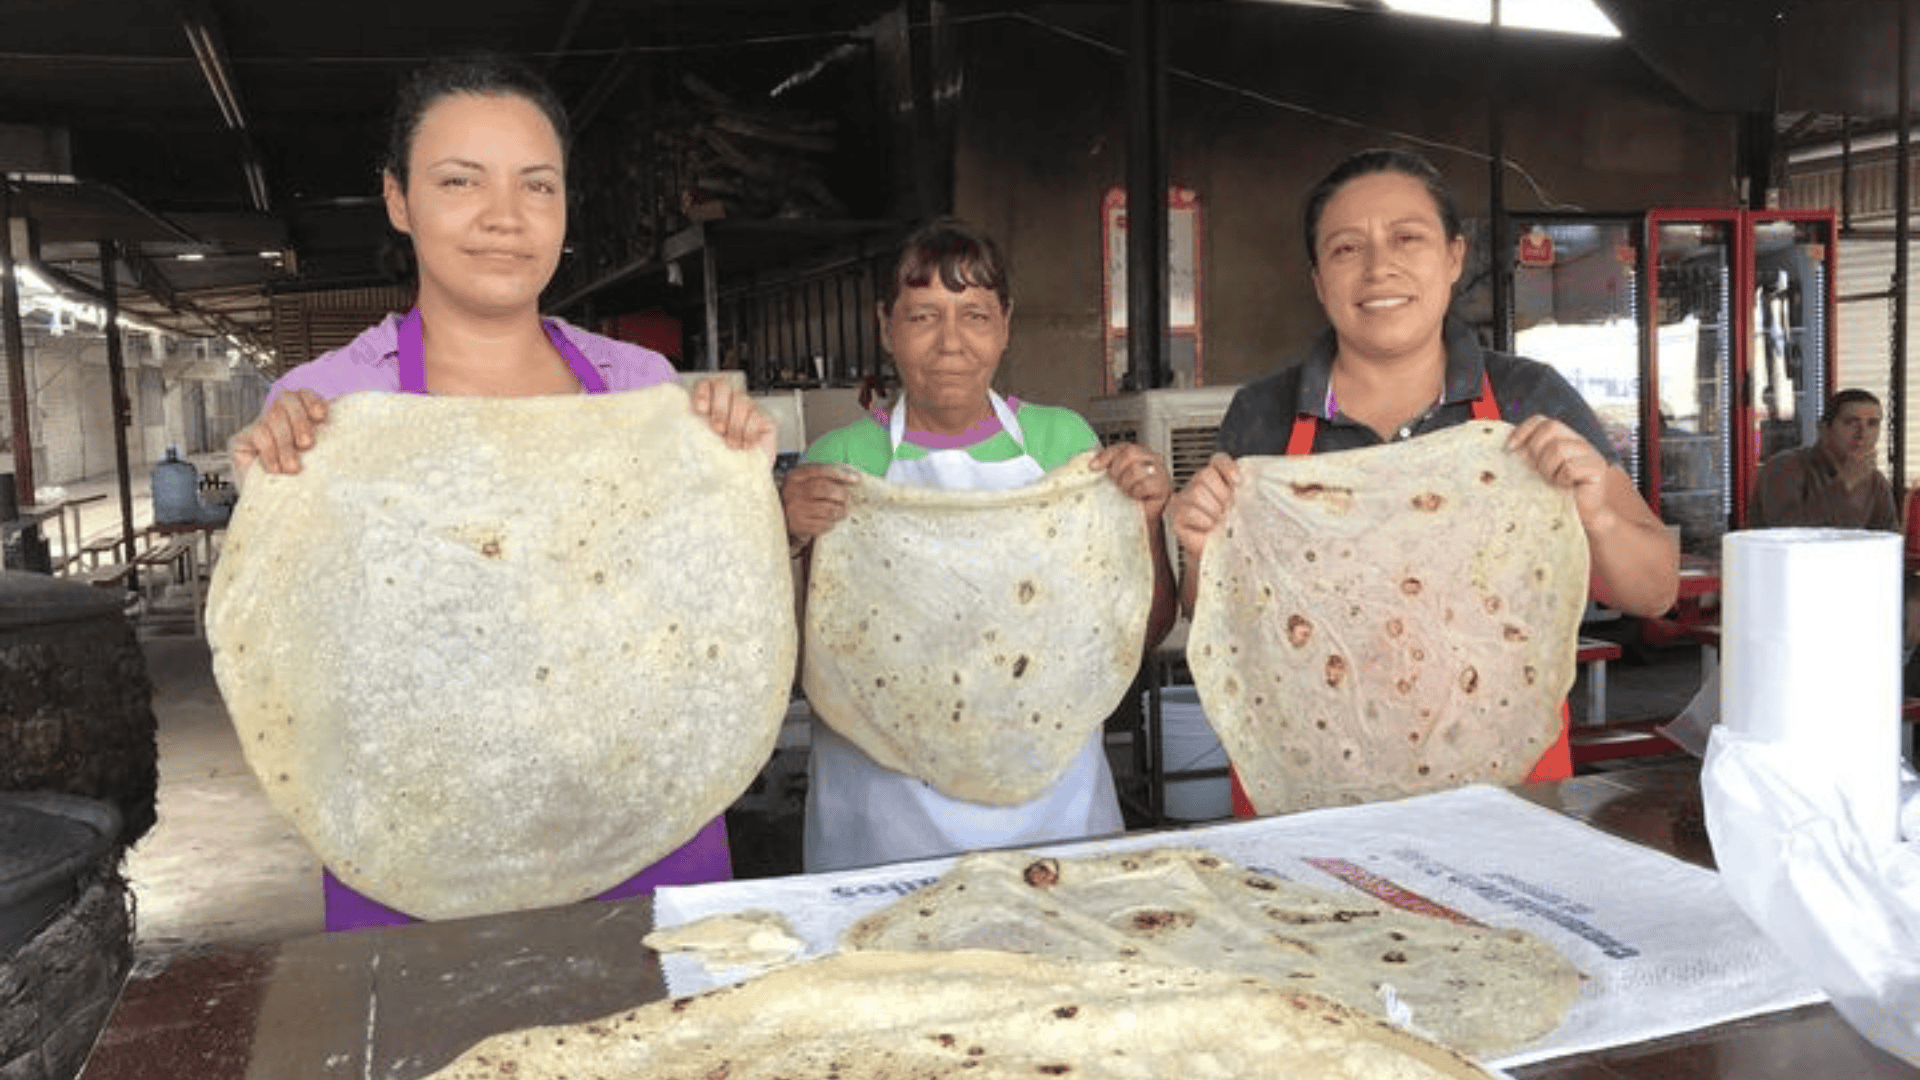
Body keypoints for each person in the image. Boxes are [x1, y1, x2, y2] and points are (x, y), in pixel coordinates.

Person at [228, 54, 776, 930]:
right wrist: (272, 505)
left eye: (538, 186)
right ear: (398, 201)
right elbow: (288, 661)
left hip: (650, 820)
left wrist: (736, 471)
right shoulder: (329, 407)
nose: (504, 219)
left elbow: (708, 616)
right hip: (416, 853)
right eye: (458, 181)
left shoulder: (643, 389)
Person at [1167, 148, 1679, 808]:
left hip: (1505, 793)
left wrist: (1598, 516)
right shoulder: (1263, 416)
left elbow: (1656, 590)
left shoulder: (1528, 400)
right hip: (1306, 795)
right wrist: (1200, 550)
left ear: (1454, 257)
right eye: (1346, 248)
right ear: (1319, 279)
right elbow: (1214, 616)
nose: (1380, 267)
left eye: (1407, 238)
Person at [780, 218, 1178, 872]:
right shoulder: (840, 460)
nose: (950, 343)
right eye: (922, 316)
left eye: (974, 315)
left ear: (1006, 325)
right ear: (886, 325)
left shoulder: (1065, 447)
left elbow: (1136, 633)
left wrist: (1147, 523)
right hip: (887, 816)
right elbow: (799, 658)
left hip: (1051, 810)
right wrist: (790, 540)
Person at [1749, 388, 1897, 530]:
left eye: (1872, 424)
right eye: (1851, 423)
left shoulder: (1876, 482)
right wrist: (1845, 484)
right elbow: (1788, 532)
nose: (1862, 434)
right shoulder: (1784, 466)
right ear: (1825, 429)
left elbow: (1889, 538)